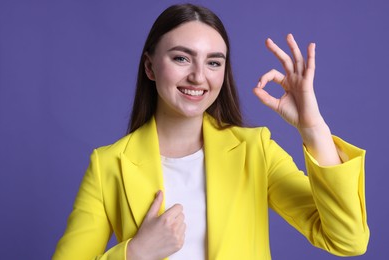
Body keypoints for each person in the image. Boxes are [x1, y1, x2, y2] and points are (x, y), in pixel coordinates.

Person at [53, 3, 369, 260]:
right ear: (150, 67)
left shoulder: (254, 150)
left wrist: (313, 129)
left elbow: (347, 240)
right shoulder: (108, 164)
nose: (198, 76)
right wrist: (135, 254)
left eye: (214, 63)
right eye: (181, 58)